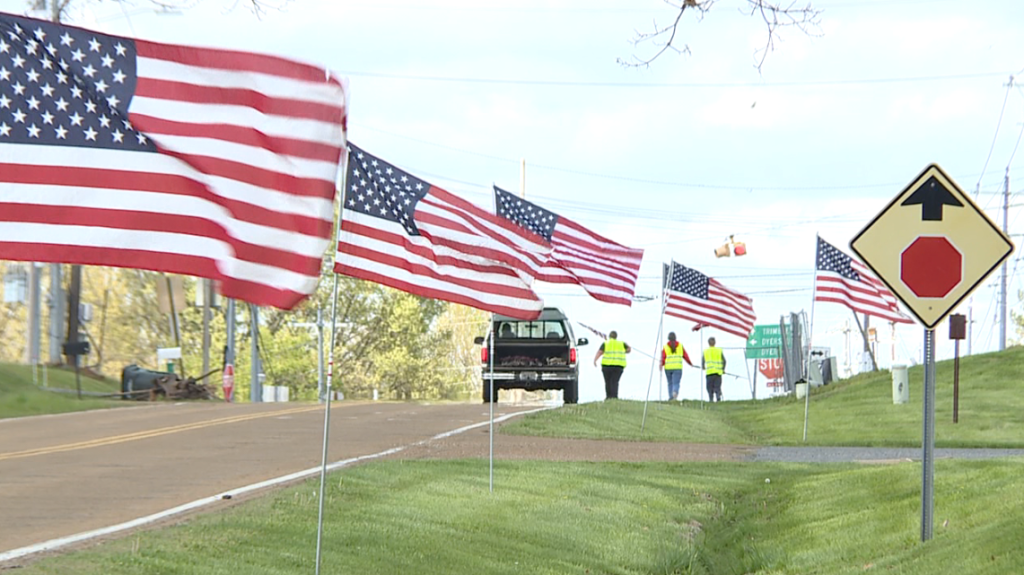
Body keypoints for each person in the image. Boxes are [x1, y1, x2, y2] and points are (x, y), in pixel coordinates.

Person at [593, 330, 631, 400]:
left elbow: (600, 352)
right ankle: (614, 396)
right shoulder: (621, 343)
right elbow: (629, 349)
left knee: (607, 382)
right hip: (618, 366)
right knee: (615, 381)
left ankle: (608, 396)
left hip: (606, 366)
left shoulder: (606, 343)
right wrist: (624, 351)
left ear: (609, 336)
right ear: (616, 336)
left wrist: (595, 360)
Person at [660, 332, 694, 401]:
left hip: (668, 368)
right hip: (678, 368)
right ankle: (675, 392)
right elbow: (685, 356)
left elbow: (663, 358)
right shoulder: (680, 346)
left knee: (670, 383)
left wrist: (661, 365)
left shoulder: (665, 347)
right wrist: (690, 363)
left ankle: (671, 397)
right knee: (676, 383)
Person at [702, 337, 726, 402]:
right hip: (718, 373)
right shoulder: (719, 350)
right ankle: (718, 397)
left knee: (709, 388)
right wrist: (723, 369)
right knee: (717, 387)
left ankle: (711, 399)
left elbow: (703, 361)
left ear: (708, 343)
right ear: (715, 342)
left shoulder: (706, 351)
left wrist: (703, 367)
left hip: (709, 373)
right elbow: (724, 361)